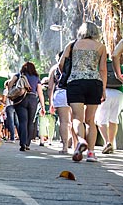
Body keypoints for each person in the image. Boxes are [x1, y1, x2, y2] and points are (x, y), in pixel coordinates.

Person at [59, 22, 106, 162]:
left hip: (75, 82)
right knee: (91, 120)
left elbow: (61, 64)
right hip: (94, 83)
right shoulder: (101, 46)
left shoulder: (72, 45)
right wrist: (103, 89)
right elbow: (102, 69)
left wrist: (69, 73)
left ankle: (80, 140)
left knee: (77, 118)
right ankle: (91, 153)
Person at [8, 62, 46, 151]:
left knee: (22, 122)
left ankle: (23, 143)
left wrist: (11, 92)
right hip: (32, 99)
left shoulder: (19, 75)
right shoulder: (36, 78)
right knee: (30, 122)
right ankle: (28, 143)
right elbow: (40, 93)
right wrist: (43, 106)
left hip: (21, 99)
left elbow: (10, 83)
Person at [96, 42, 123, 153]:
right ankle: (111, 142)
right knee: (113, 119)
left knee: (101, 119)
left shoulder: (100, 67)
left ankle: (107, 142)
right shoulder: (119, 66)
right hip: (119, 93)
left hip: (105, 92)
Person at [48, 51, 77, 154]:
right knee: (76, 121)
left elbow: (50, 87)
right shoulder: (75, 66)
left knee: (64, 122)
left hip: (61, 94)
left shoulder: (54, 69)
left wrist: (51, 102)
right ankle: (76, 146)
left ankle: (65, 147)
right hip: (75, 93)